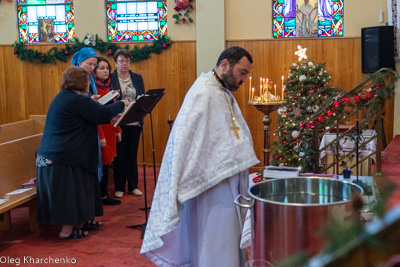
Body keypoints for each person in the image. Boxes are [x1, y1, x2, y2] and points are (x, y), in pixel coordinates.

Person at [140, 46, 259, 266]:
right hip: (210, 183)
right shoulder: (204, 92)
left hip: (224, 177)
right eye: (242, 72)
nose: (244, 79)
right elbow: (188, 141)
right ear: (225, 65)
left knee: (226, 234)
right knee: (215, 235)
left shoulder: (221, 91)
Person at [36, 67, 129, 239]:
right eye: (87, 81)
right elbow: (102, 114)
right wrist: (122, 104)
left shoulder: (67, 97)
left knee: (85, 186)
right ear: (80, 82)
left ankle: (84, 220)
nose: (89, 84)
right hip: (61, 158)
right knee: (72, 192)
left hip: (64, 154)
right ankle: (67, 231)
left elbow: (92, 114)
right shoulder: (75, 100)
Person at [110, 49, 145, 198]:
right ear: (116, 63)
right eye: (122, 61)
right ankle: (119, 187)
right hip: (118, 122)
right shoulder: (111, 78)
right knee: (119, 155)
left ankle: (133, 185)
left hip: (134, 120)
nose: (125, 64)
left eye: (127, 61)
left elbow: (141, 96)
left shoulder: (137, 78)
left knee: (132, 154)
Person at [94, 57, 122, 206]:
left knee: (107, 163)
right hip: (101, 131)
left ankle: (103, 195)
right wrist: (101, 136)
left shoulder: (107, 89)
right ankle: (101, 195)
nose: (106, 71)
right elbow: (95, 116)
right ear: (94, 71)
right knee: (102, 164)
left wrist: (118, 128)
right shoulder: (94, 91)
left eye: (107, 68)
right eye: (102, 68)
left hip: (110, 129)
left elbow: (114, 111)